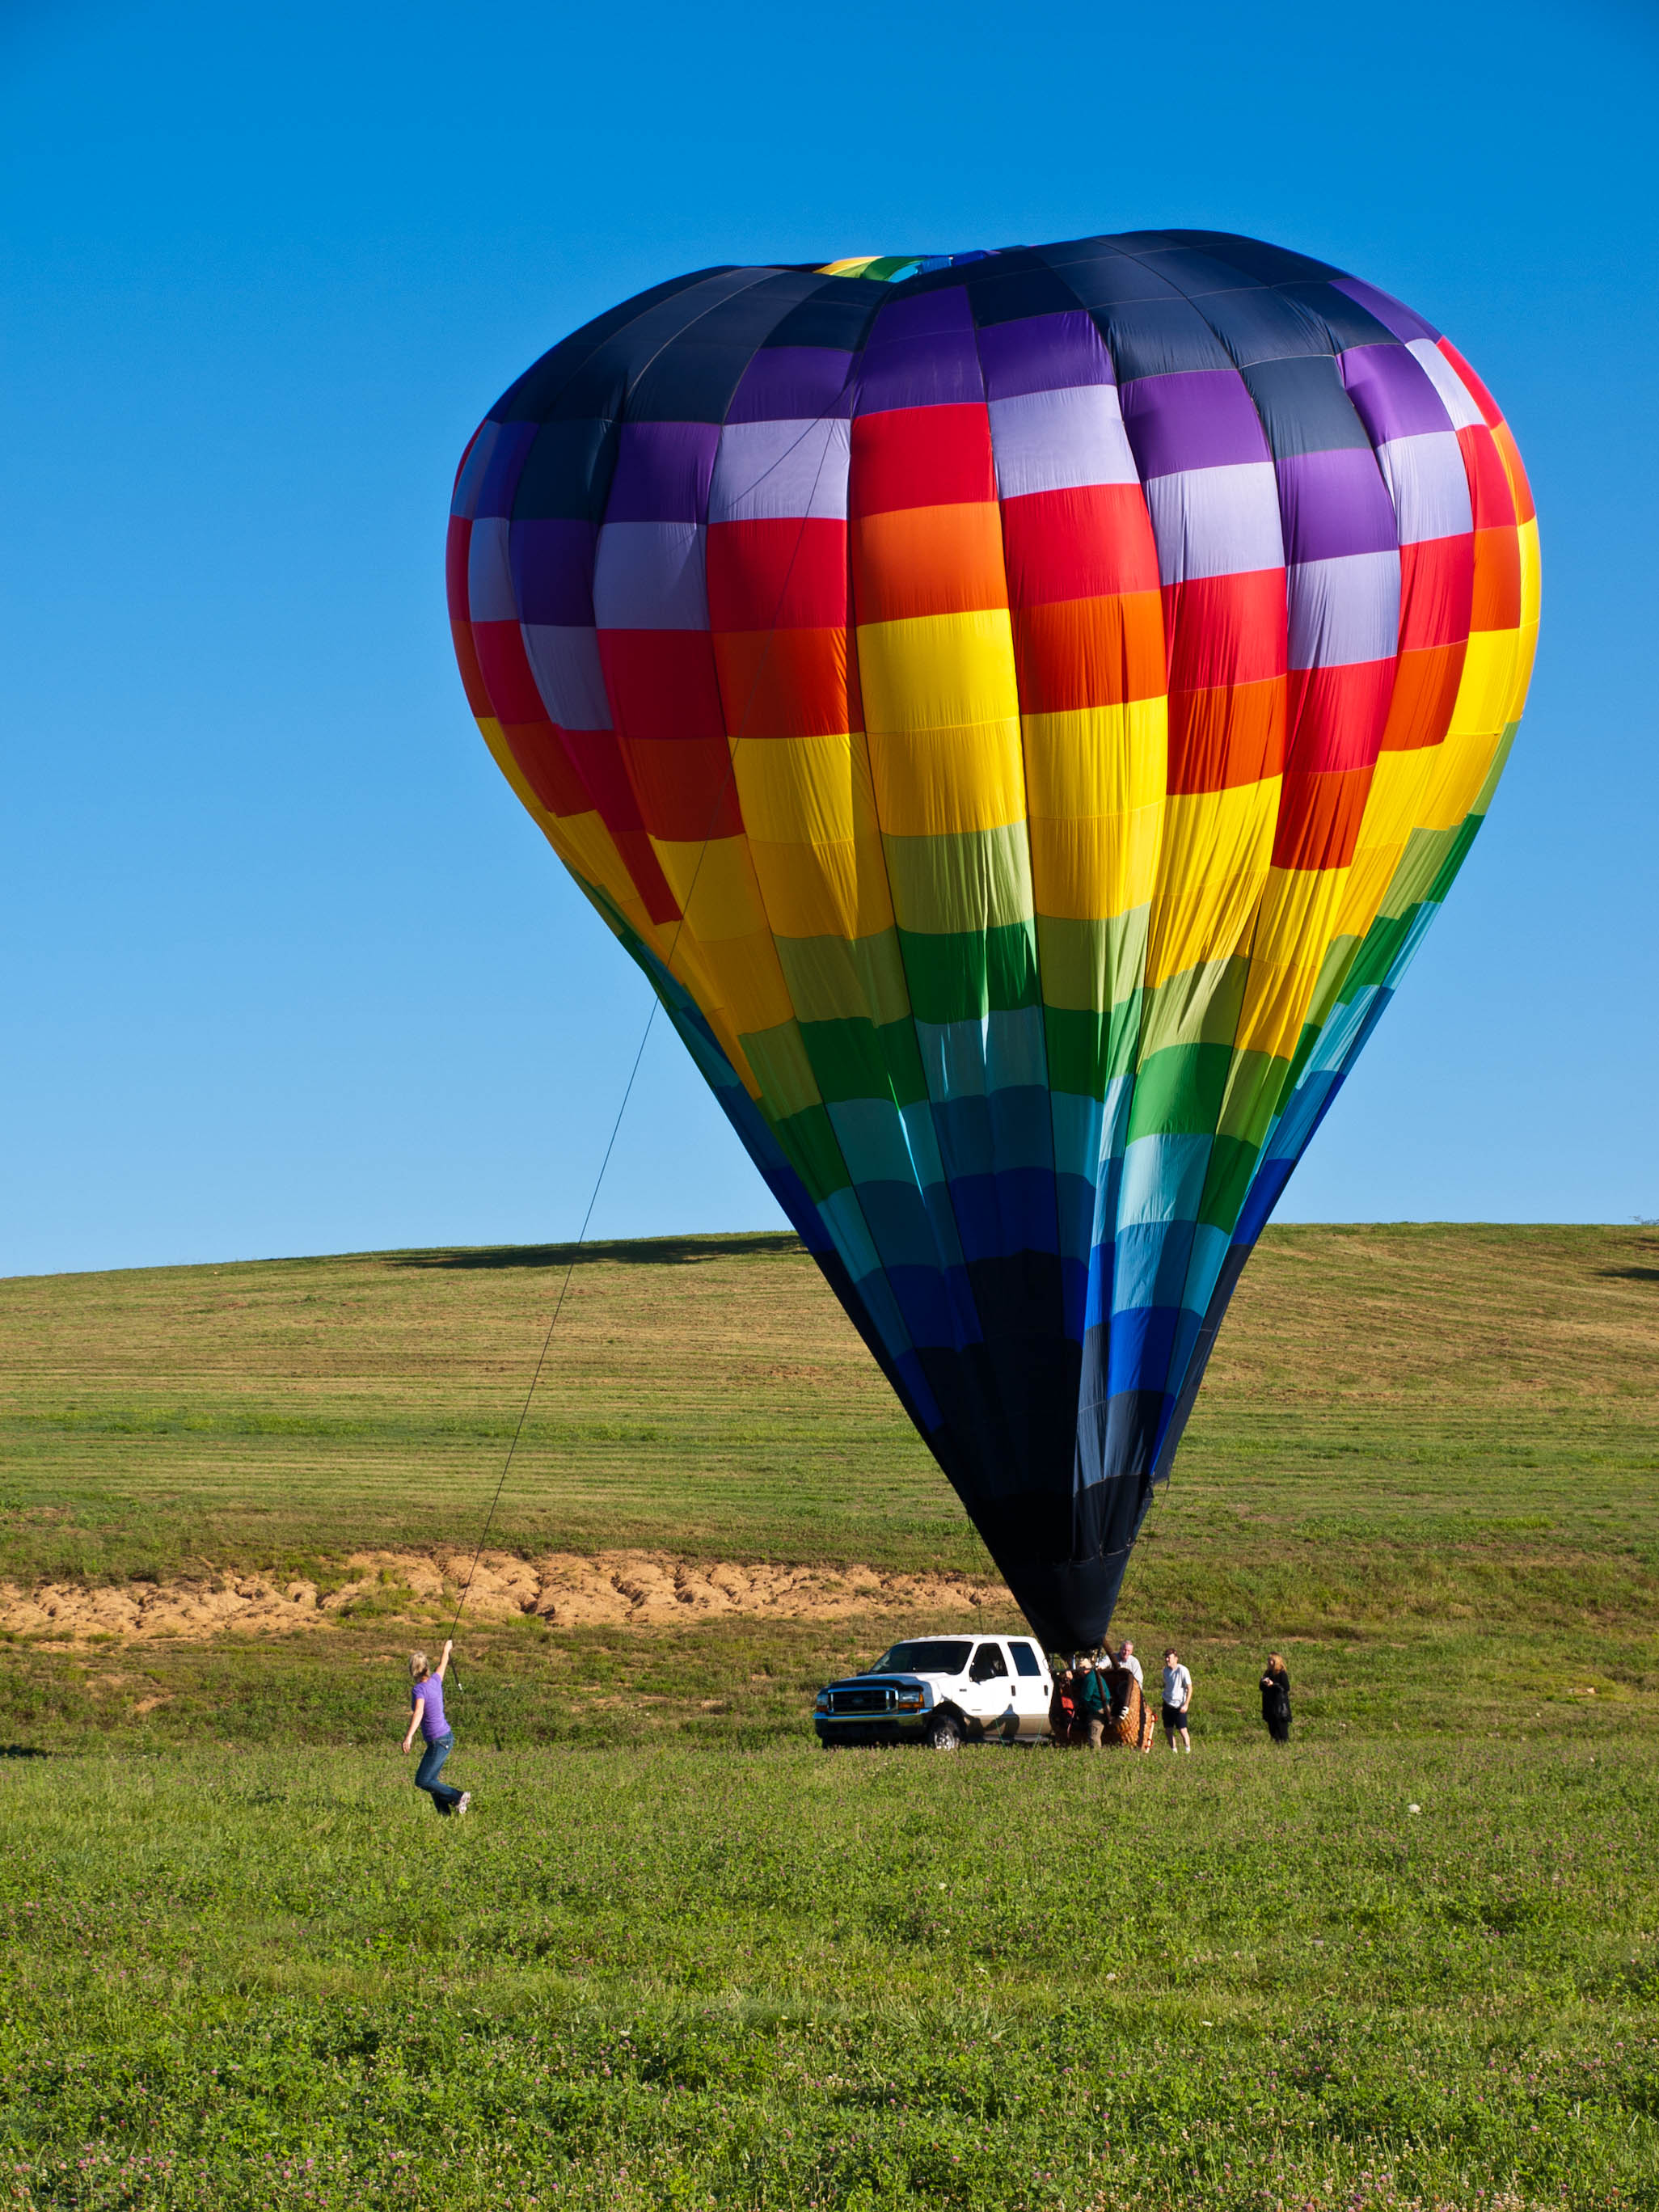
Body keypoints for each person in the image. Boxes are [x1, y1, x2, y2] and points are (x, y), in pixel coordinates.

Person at [402, 1640, 471, 1816]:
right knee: (432, 1781)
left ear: (413, 1671)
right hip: (445, 1738)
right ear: (426, 1668)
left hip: (439, 1741)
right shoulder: (435, 1681)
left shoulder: (419, 1690)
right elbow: (443, 1664)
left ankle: (458, 1796)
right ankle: (444, 1815)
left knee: (422, 1780)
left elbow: (418, 1713)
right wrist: (446, 1649)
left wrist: (409, 1736)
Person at [1161, 1647, 1193, 1753]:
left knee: (1183, 1730)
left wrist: (1186, 1704)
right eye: (1166, 1657)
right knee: (1168, 1730)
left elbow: (1190, 1688)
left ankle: (1187, 1751)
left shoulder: (1182, 1670)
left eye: (1169, 1657)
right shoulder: (1165, 1671)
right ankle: (1174, 1751)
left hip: (1179, 1705)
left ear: (1176, 1658)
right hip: (1167, 1703)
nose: (1167, 1660)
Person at [1075, 1654, 1109, 1750]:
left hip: (1098, 1709)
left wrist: (1077, 1704)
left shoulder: (1090, 1679)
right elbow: (1079, 1682)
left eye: (1079, 1670)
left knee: (1093, 1737)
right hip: (1098, 1707)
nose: (1079, 1673)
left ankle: (1097, 1756)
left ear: (1084, 1669)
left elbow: (1086, 1697)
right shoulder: (1090, 1676)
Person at [1260, 1653, 1292, 1743]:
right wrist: (1263, 1682)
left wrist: (1273, 1685)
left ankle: (1284, 1745)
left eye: (1271, 1660)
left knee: (1282, 1729)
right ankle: (1276, 1743)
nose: (1269, 1662)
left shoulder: (1281, 1673)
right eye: (1269, 1660)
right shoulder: (1267, 1672)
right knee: (1272, 1729)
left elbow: (1286, 1688)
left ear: (1276, 1661)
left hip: (1279, 1705)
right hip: (1269, 1705)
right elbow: (1261, 1688)